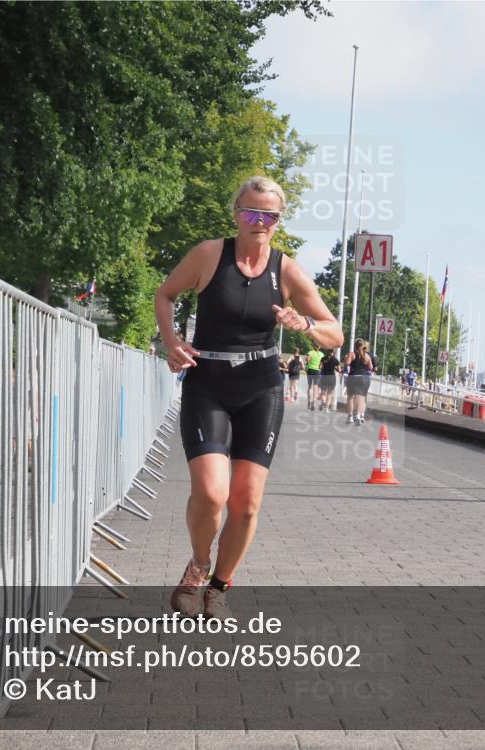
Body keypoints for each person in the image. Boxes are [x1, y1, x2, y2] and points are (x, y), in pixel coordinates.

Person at [155, 175, 342, 619]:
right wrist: (171, 340)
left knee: (247, 501)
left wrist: (305, 326)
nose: (260, 222)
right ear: (236, 214)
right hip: (208, 382)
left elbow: (335, 333)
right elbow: (165, 294)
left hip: (262, 387)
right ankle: (197, 569)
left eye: (269, 216)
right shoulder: (208, 255)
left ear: (278, 221)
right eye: (251, 213)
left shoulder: (287, 270)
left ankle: (219, 586)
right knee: (211, 492)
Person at [344, 338, 373, 425]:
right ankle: (358, 415)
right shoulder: (367, 356)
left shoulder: (352, 354)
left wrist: (346, 359)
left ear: (355, 345)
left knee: (350, 397)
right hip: (363, 378)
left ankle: (350, 417)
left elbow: (347, 363)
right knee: (360, 398)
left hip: (353, 377)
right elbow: (371, 367)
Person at [318, 347, 341, 413]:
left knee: (323, 392)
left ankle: (323, 402)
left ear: (327, 351)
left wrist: (324, 367)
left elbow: (319, 367)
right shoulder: (336, 360)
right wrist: (335, 369)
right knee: (329, 394)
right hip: (331, 378)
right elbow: (339, 370)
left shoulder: (323, 358)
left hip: (324, 377)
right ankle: (327, 409)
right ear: (333, 352)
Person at [305, 341, 324, 411]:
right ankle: (314, 402)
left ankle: (309, 402)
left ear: (313, 346)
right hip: (317, 371)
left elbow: (307, 359)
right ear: (319, 347)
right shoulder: (322, 354)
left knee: (310, 386)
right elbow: (322, 364)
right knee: (315, 387)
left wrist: (308, 362)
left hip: (310, 370)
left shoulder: (310, 352)